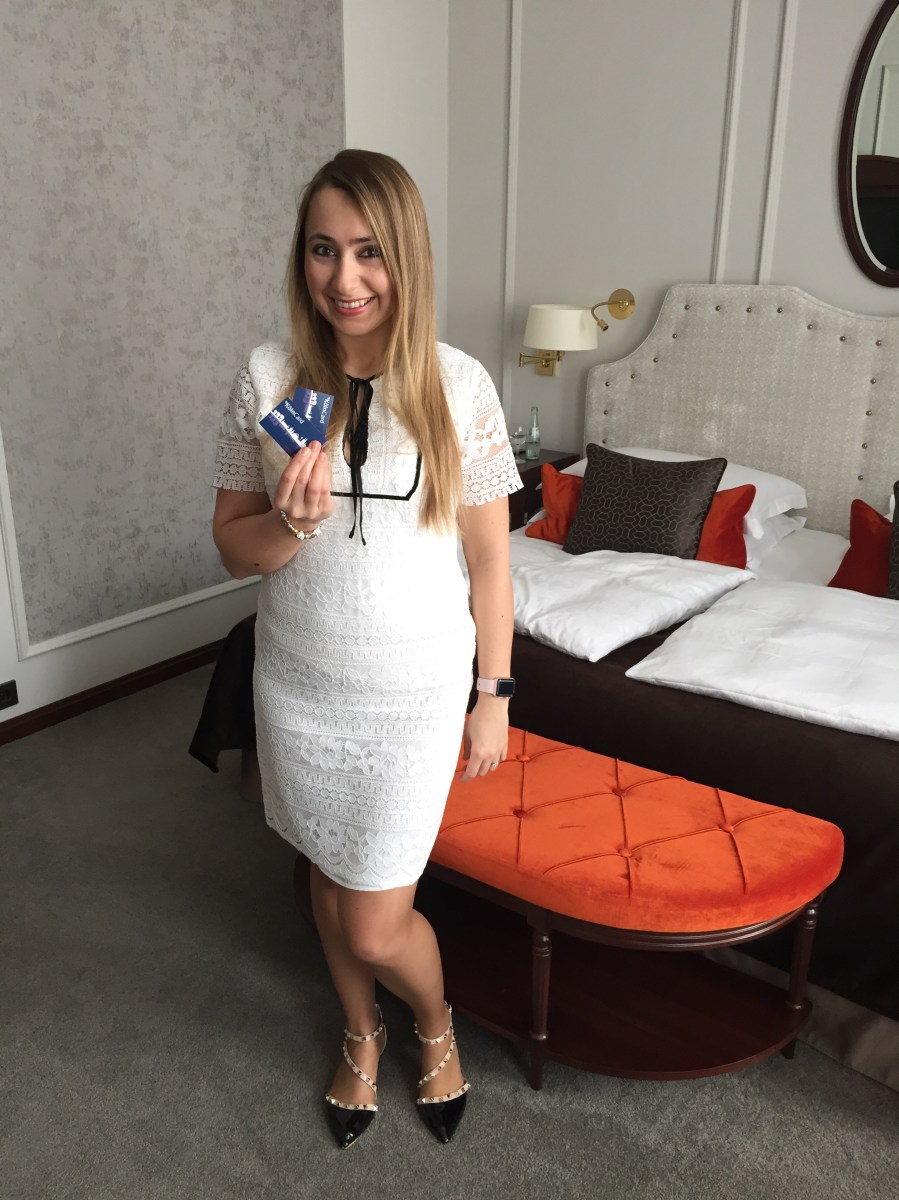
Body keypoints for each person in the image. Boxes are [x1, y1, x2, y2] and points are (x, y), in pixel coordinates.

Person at [211, 149, 521, 1150]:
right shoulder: (266, 376)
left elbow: (490, 563)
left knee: (376, 920)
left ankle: (431, 1024)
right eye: (322, 250)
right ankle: (359, 1032)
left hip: (411, 695)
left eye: (369, 252)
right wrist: (290, 525)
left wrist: (493, 693)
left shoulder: (457, 385)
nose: (344, 279)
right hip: (296, 682)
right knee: (325, 872)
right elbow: (233, 549)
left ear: (406, 257)